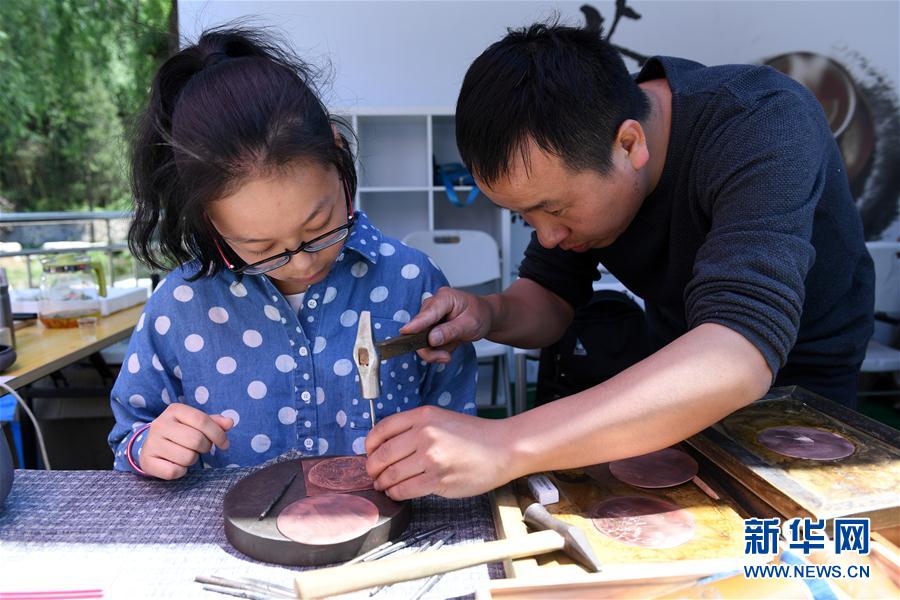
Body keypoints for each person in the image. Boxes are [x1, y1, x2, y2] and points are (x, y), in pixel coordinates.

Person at [363, 23, 874, 500]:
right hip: (678, 370)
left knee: (792, 541)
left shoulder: (761, 120)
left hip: (801, 378)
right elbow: (549, 298)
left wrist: (506, 443)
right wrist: (488, 313)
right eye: (524, 215)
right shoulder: (577, 141)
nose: (548, 234)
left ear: (630, 144)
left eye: (554, 208)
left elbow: (738, 355)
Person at [108, 28, 477, 480]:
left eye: (319, 227)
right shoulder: (180, 305)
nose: (303, 263)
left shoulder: (410, 279)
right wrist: (148, 447)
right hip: (235, 541)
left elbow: (460, 418)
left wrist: (449, 450)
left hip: (390, 532)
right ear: (207, 220)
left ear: (339, 159)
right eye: (261, 249)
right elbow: (129, 434)